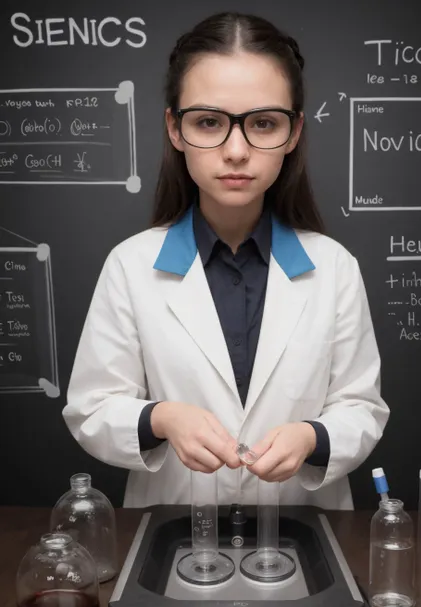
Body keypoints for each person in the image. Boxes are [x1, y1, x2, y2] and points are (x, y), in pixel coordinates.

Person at [63, 11, 389, 509]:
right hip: (171, 535)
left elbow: (361, 408)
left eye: (262, 123)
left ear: (294, 131)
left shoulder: (334, 268)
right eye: (209, 122)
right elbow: (91, 410)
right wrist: (162, 419)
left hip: (304, 535)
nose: (236, 151)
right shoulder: (130, 266)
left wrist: (312, 437)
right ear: (175, 128)